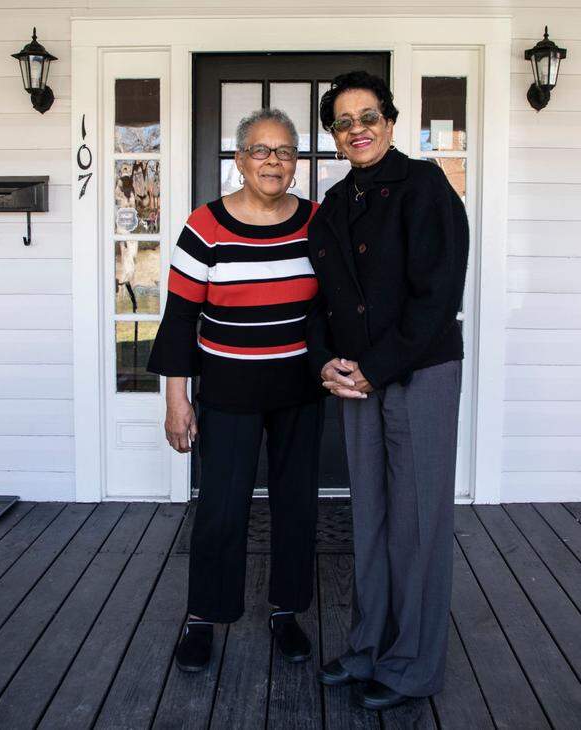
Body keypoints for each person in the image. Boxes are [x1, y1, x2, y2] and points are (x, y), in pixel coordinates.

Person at [306, 70, 469, 710]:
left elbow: (438, 296)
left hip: (419, 373)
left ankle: (412, 665)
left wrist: (375, 366)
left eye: (368, 116)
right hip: (354, 381)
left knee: (418, 523)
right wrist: (325, 363)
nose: (357, 129)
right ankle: (369, 644)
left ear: (391, 122)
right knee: (368, 516)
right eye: (344, 122)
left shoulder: (426, 187)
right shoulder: (335, 204)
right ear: (335, 135)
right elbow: (319, 301)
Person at [146, 108, 324, 672]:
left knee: (296, 506)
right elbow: (178, 320)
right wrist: (177, 400)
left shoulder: (319, 223)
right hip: (227, 388)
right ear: (240, 161)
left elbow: (338, 305)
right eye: (261, 151)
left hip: (301, 388)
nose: (273, 161)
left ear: (296, 164)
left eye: (285, 152)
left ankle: (285, 611)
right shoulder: (205, 225)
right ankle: (204, 616)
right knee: (221, 510)